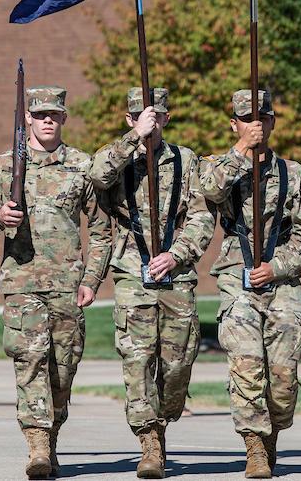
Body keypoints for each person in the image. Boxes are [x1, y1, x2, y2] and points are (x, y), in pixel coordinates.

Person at [0, 86, 113, 479]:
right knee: (29, 363)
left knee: (62, 372)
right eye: (41, 114)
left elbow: (101, 230)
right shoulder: (3, 166)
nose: (48, 119)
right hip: (22, 284)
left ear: (64, 119)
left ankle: (52, 436)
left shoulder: (83, 166)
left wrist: (92, 279)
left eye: (55, 114)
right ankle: (37, 448)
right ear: (26, 119)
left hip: (68, 286)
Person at [88, 87, 214, 478]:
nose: (152, 122)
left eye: (158, 116)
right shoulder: (117, 157)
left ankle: (166, 415)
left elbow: (202, 216)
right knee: (137, 358)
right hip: (131, 270)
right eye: (144, 116)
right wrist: (132, 140)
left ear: (167, 118)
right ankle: (149, 443)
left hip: (175, 271)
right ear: (130, 119)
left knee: (178, 363)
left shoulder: (186, 160)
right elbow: (97, 175)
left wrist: (177, 253)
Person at [200, 90, 301, 478]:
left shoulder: (294, 175)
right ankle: (254, 448)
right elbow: (210, 190)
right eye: (246, 118)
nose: (256, 124)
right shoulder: (220, 166)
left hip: (281, 279)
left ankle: (271, 437)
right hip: (237, 275)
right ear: (234, 123)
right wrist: (240, 150)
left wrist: (278, 265)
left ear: (272, 122)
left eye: (263, 118)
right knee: (246, 366)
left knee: (283, 380)